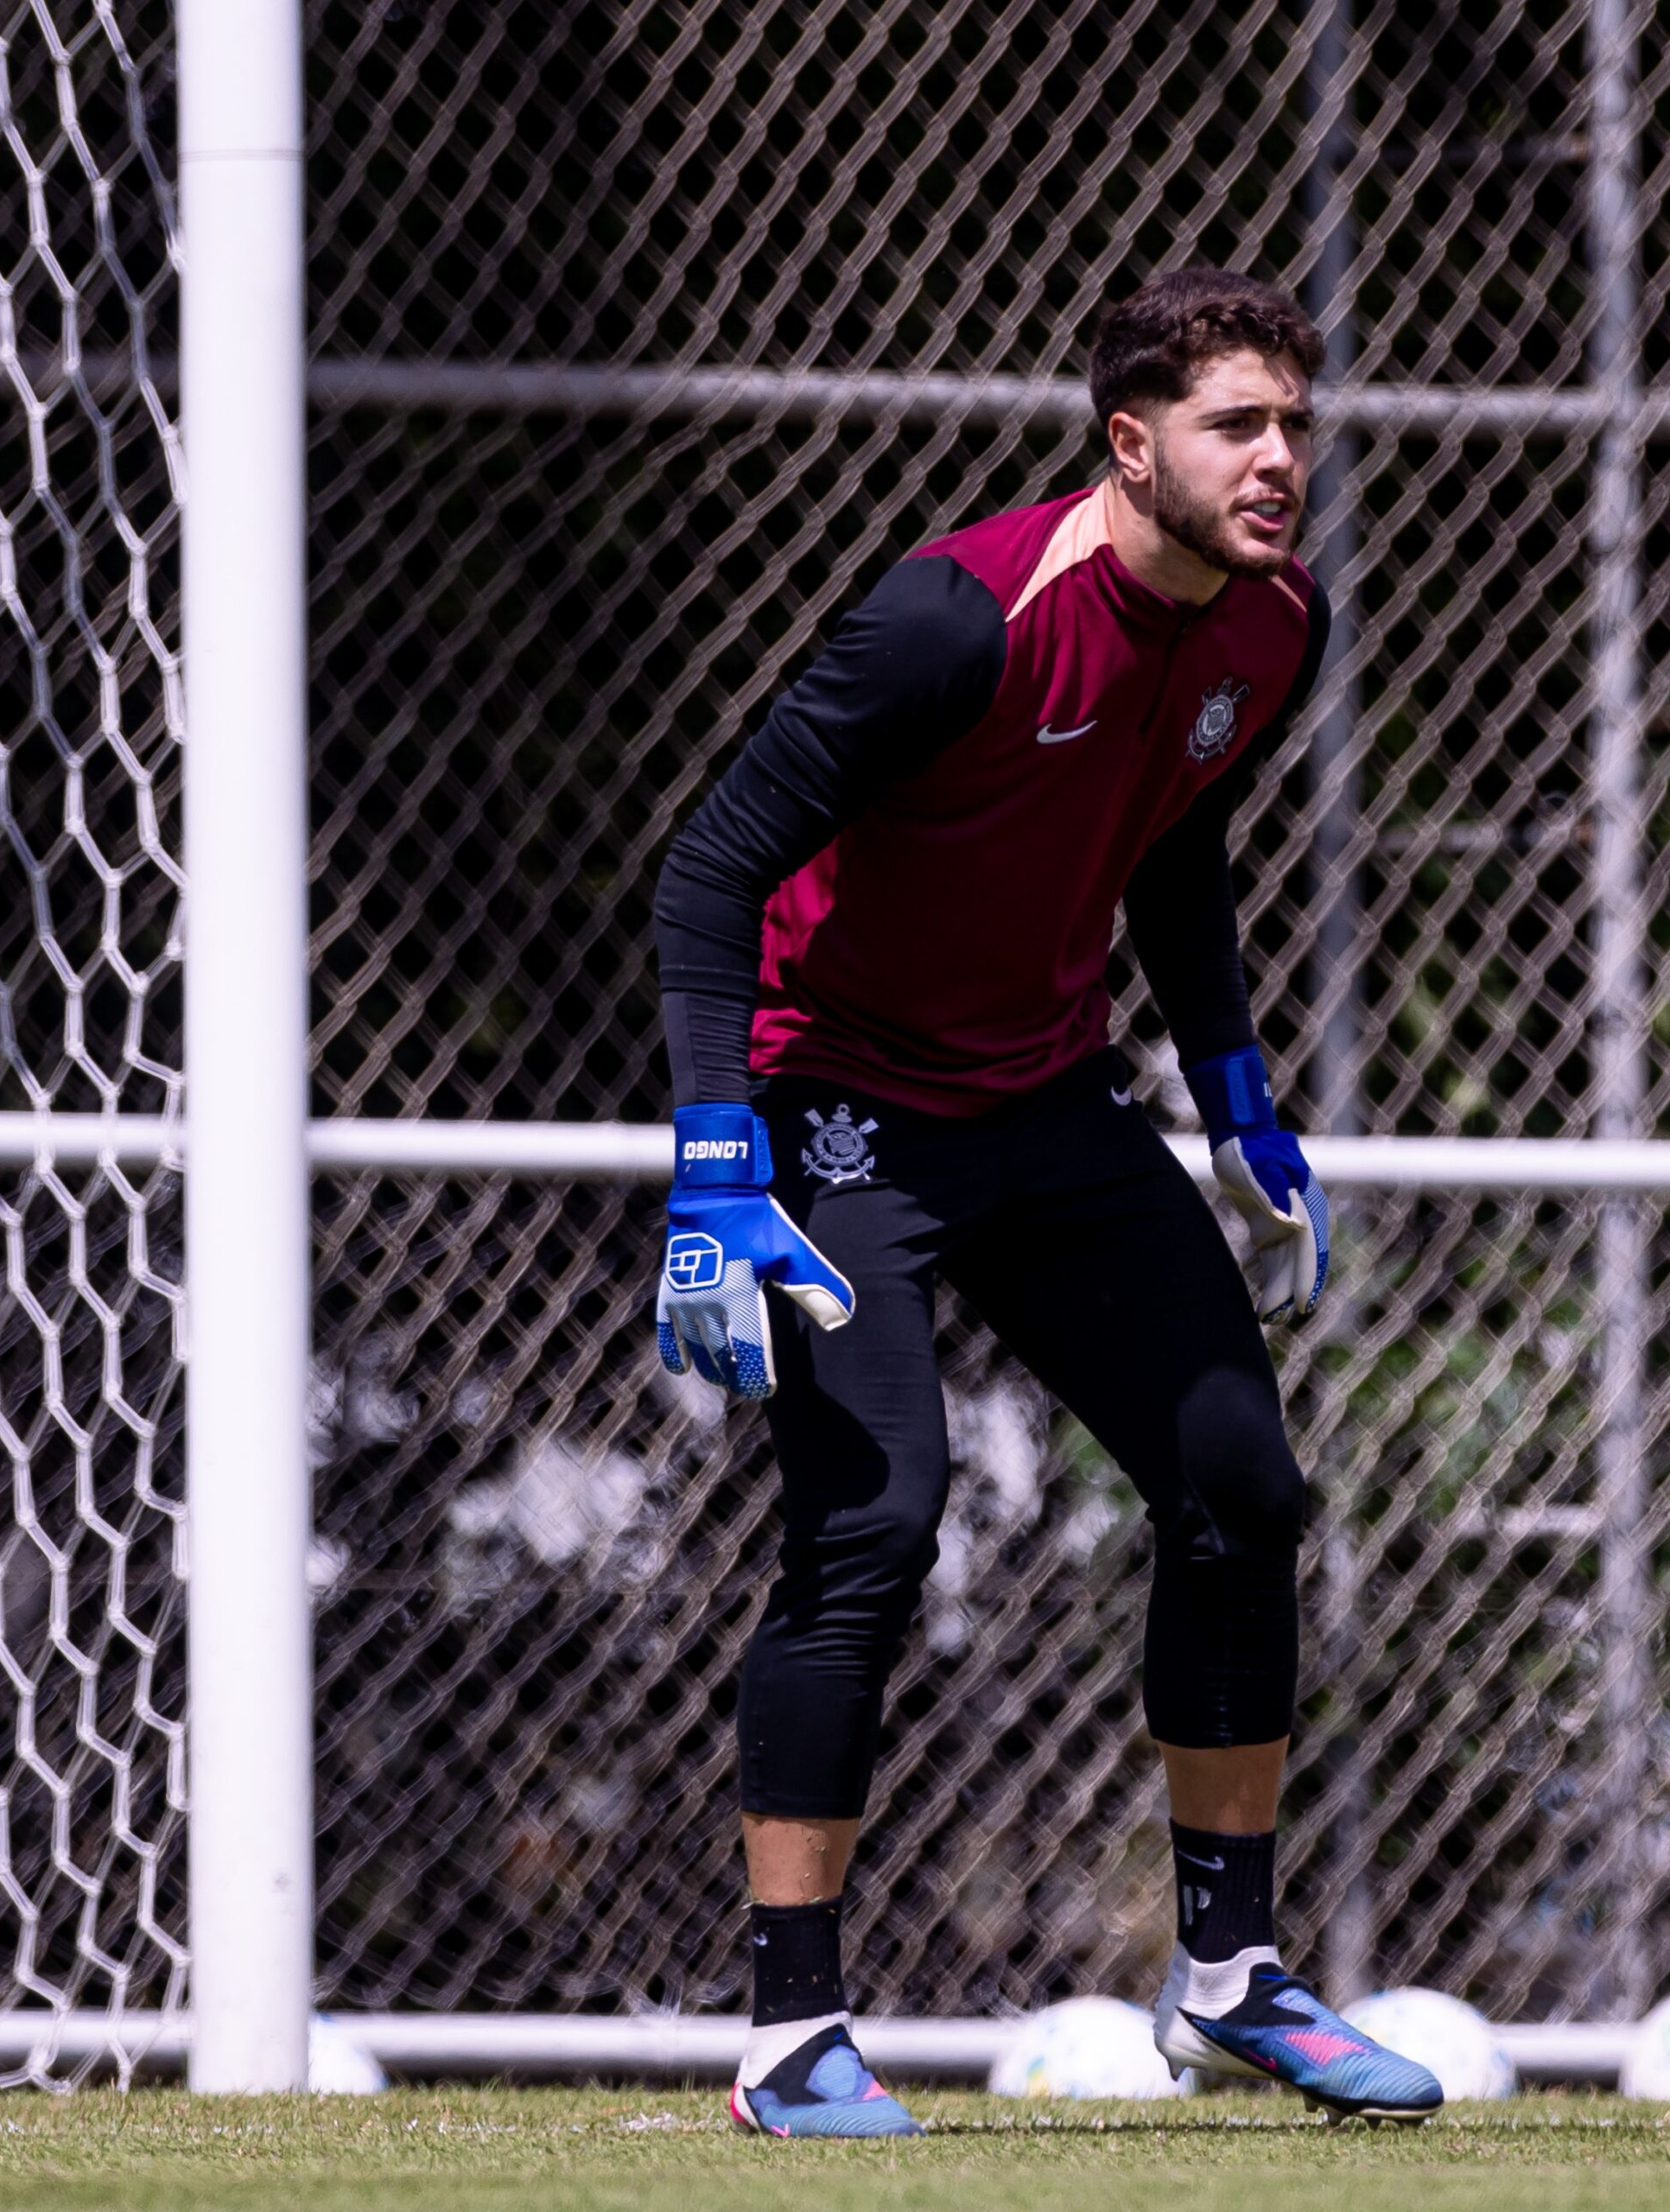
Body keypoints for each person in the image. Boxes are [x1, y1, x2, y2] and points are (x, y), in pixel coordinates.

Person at [651, 267, 1442, 2138]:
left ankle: (1231, 1977)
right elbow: (708, 868)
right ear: (1128, 440)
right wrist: (713, 1158)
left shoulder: (1273, 625)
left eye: (1295, 425)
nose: (1278, 460)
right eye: (1236, 424)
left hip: (1049, 1098)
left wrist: (1233, 1078)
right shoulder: (955, 616)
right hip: (834, 1102)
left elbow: (1167, 836)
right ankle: (787, 2041)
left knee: (1241, 1482)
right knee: (877, 1521)